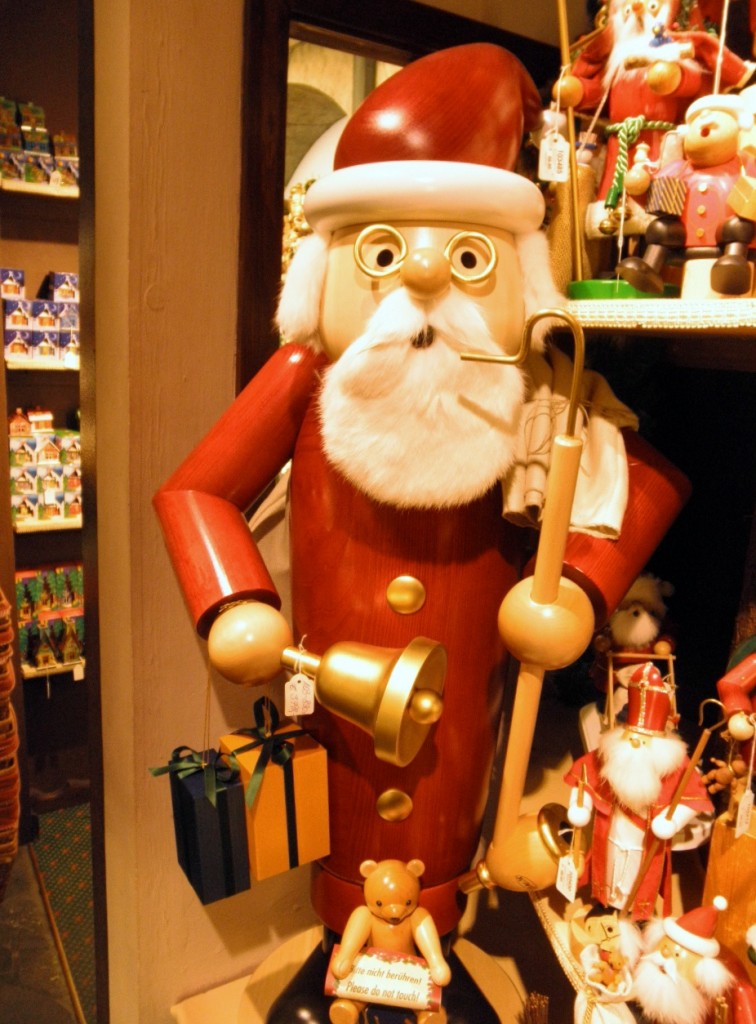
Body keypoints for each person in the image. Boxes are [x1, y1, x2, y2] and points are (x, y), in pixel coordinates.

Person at [154, 43, 690, 1022]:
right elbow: (196, 492)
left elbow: (640, 482)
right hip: (330, 694)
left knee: (447, 825)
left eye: (470, 257)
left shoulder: (537, 390)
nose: (428, 285)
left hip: (464, 722)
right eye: (385, 255)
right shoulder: (307, 377)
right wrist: (237, 602)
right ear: (332, 267)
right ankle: (346, 951)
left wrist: (571, 592)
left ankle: (434, 940)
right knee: (343, 823)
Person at [565, 662, 713, 920]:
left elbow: (694, 798)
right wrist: (581, 806)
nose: (636, 745)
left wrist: (673, 820)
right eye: (631, 737)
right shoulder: (609, 755)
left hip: (646, 838)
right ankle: (605, 904)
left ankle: (636, 915)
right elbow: (584, 775)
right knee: (609, 866)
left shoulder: (675, 764)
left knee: (639, 874)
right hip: (611, 829)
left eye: (644, 740)